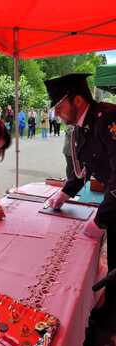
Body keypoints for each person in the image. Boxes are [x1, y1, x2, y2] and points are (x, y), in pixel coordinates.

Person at [45, 73, 116, 313]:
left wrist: (101, 218)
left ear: (77, 101)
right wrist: (65, 193)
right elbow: (82, 170)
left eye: (59, 106)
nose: (56, 114)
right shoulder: (80, 129)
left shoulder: (108, 118)